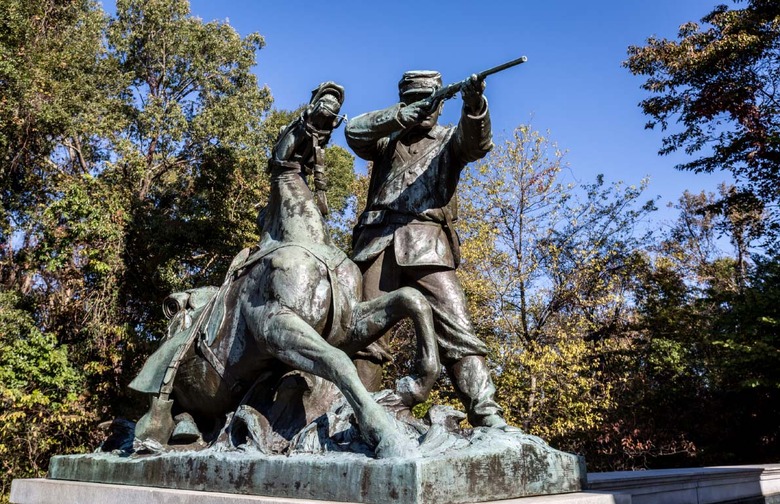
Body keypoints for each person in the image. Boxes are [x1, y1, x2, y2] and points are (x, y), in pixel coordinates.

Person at [345, 70, 508, 429]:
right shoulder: (387, 141)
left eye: (435, 98)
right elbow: (353, 132)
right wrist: (397, 116)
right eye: (420, 98)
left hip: (428, 245)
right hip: (376, 244)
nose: (430, 106)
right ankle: (356, 418)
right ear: (407, 101)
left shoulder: (450, 139)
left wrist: (474, 102)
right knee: (364, 336)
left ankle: (486, 412)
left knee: (457, 328)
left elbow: (477, 143)